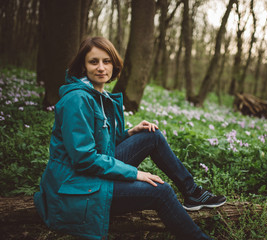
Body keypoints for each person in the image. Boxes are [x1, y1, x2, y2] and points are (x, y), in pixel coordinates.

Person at [34, 36, 226, 240]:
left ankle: (192, 193)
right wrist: (134, 173)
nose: (101, 67)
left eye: (106, 61)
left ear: (113, 64)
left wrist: (129, 134)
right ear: (83, 66)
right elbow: (84, 159)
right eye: (93, 61)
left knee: (151, 136)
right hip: (75, 187)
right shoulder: (77, 100)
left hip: (87, 176)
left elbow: (100, 148)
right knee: (160, 191)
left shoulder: (97, 95)